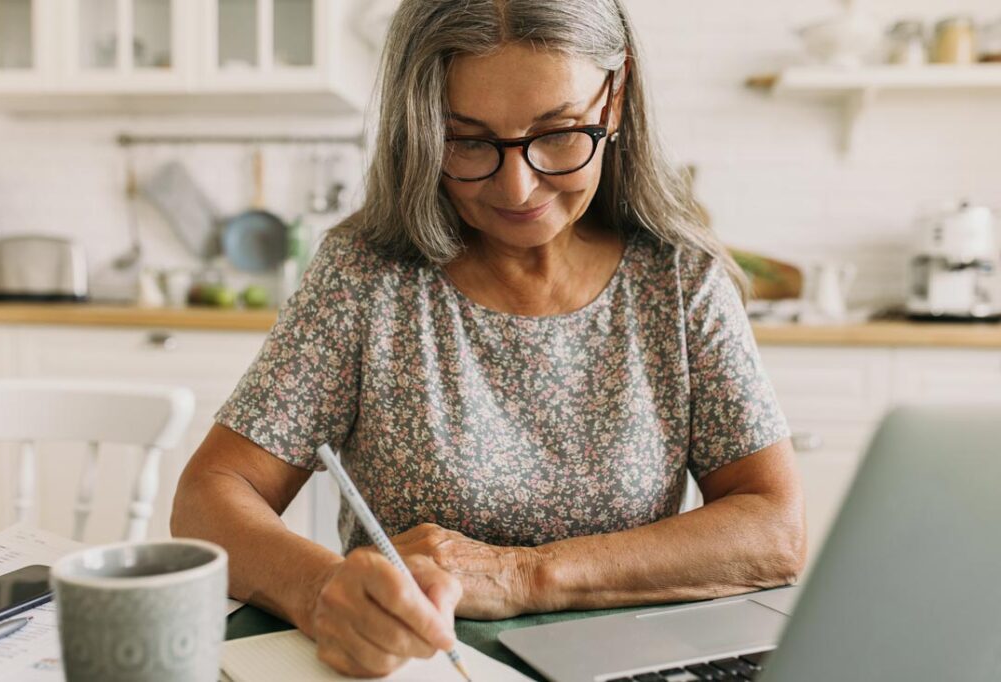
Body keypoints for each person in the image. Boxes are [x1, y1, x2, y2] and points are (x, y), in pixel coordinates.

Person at [171, 0, 806, 677]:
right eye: (469, 141)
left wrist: (525, 575)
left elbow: (774, 530)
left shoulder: (679, 281)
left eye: (558, 133)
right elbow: (209, 495)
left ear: (614, 100)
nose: (518, 185)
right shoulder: (366, 274)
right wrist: (322, 590)